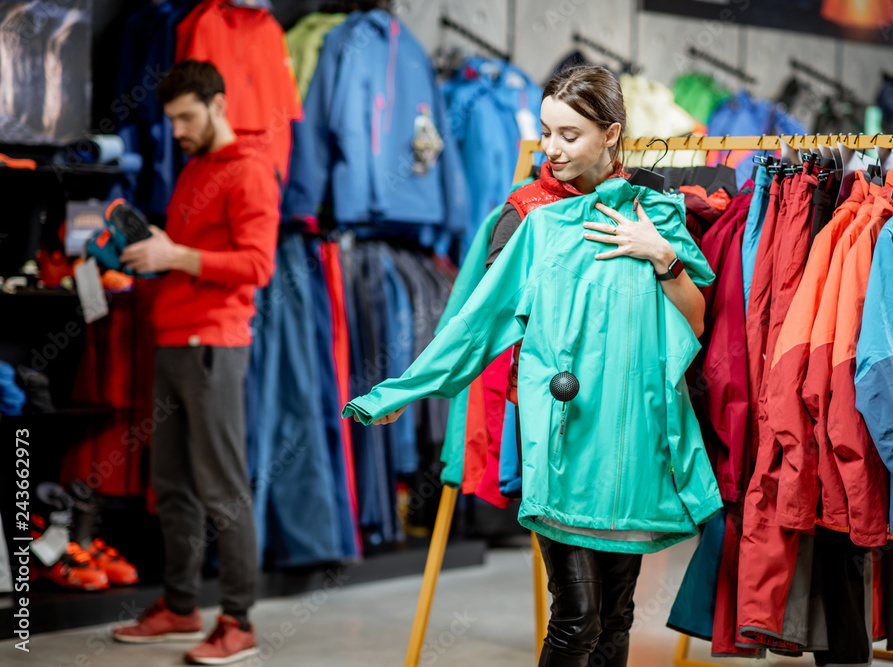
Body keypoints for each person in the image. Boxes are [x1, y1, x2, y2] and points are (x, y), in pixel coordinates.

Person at [352, 66, 710, 667]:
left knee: (616, 619)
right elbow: (476, 324)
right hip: (562, 441)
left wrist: (664, 257)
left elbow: (696, 324)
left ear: (611, 134)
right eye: (546, 132)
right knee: (577, 619)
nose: (551, 148)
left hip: (633, 442)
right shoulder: (531, 219)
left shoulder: (657, 213)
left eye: (568, 135)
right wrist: (400, 393)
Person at [111, 60, 280, 666]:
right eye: (172, 118)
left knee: (222, 488)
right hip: (173, 342)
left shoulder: (251, 171)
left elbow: (258, 266)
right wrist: (157, 250)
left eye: (187, 116)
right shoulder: (195, 170)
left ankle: (239, 620)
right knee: (172, 487)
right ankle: (181, 606)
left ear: (217, 104)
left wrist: (174, 253)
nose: (178, 128)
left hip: (214, 346)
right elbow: (194, 253)